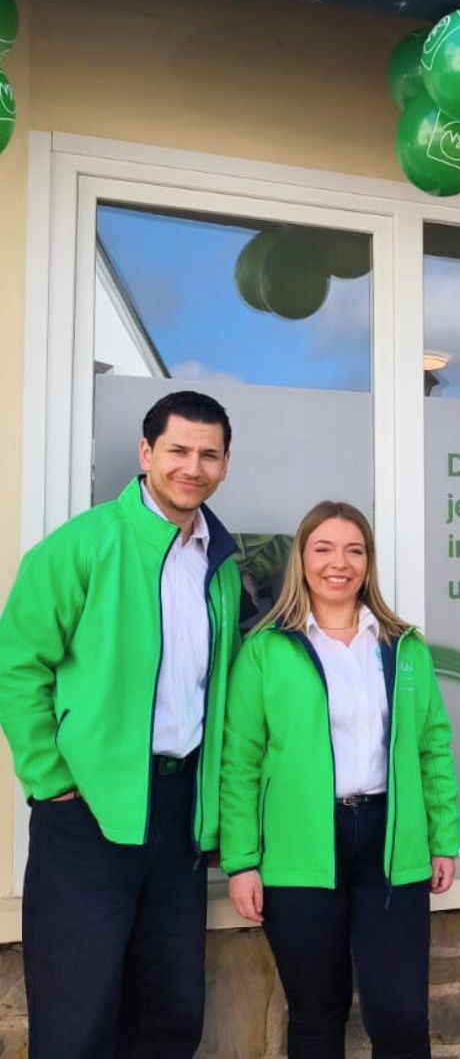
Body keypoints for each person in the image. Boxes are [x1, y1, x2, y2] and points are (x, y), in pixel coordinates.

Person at [0, 390, 240, 1058]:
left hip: (180, 812)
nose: (192, 467)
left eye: (209, 455)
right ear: (145, 453)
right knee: (77, 1018)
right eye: (178, 450)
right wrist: (52, 780)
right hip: (88, 811)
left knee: (170, 1014)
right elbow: (17, 664)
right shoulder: (83, 544)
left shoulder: (220, 565)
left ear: (224, 465)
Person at [220, 500, 460, 1059]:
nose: (339, 563)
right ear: (302, 559)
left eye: (354, 550)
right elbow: (240, 762)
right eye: (323, 548)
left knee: (401, 1018)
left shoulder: (403, 646)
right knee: (316, 1014)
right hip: (300, 847)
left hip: (390, 845)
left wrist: (443, 839)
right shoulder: (266, 650)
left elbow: (433, 747)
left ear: (368, 562)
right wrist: (242, 861)